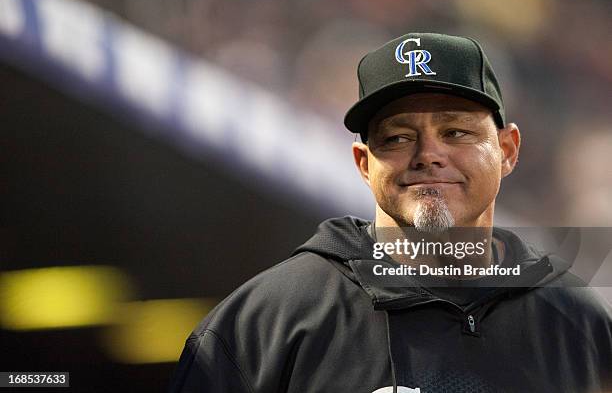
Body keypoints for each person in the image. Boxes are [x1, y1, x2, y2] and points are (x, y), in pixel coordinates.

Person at [169, 33, 612, 393]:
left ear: (507, 151)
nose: (427, 155)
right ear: (364, 163)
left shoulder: (578, 321)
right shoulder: (266, 324)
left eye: (455, 131)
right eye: (398, 138)